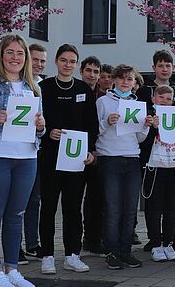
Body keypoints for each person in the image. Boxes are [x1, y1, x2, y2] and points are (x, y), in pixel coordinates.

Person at [0, 34, 45, 287]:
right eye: (10, 52)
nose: (15, 58)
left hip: (27, 157)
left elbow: (39, 127)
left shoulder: (34, 86)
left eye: (20, 53)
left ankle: (12, 269)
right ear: (1, 55)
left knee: (17, 214)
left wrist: (41, 126)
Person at [37, 44, 98, 275]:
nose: (68, 65)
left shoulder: (83, 88)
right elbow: (38, 118)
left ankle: (73, 254)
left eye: (72, 61)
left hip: (76, 159)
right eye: (64, 60)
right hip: (51, 157)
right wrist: (48, 131)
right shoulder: (44, 87)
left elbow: (91, 124)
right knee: (49, 208)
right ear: (56, 61)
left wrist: (91, 151)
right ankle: (48, 256)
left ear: (76, 64)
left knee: (73, 208)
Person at [95, 64, 153, 270]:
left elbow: (139, 137)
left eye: (129, 79)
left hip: (132, 159)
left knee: (130, 210)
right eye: (121, 79)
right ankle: (111, 251)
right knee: (113, 209)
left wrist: (145, 126)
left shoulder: (138, 104)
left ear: (135, 84)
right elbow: (95, 131)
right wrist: (106, 123)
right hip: (110, 159)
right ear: (114, 80)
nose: (125, 82)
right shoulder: (103, 102)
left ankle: (125, 251)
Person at [140, 85, 175, 262]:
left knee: (171, 206)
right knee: (154, 207)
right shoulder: (147, 116)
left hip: (172, 167)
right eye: (161, 98)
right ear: (153, 99)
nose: (165, 102)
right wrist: (151, 128)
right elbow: (142, 142)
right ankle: (155, 243)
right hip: (153, 167)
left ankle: (168, 242)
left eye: (168, 99)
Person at [21, 43, 47, 262]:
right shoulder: (13, 84)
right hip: (10, 151)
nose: (38, 64)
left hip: (34, 150)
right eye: (35, 59)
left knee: (33, 199)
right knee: (13, 202)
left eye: (42, 61)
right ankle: (13, 246)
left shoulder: (41, 86)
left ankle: (31, 243)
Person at [79, 55, 106, 255]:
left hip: (99, 152)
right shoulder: (75, 90)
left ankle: (93, 238)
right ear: (82, 71)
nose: (92, 75)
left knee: (96, 199)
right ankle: (77, 240)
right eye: (89, 70)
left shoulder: (103, 96)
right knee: (74, 198)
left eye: (96, 71)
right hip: (77, 151)